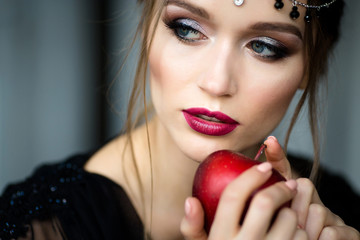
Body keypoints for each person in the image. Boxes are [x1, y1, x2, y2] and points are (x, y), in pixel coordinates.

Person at [1, 0, 359, 239]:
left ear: (312, 66)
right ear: (146, 26)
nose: (216, 83)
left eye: (264, 46)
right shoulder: (39, 226)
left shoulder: (333, 213)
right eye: (187, 29)